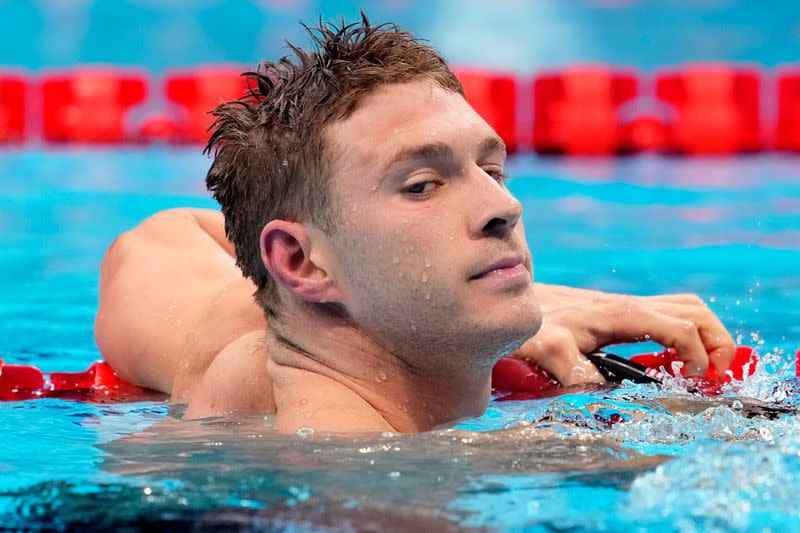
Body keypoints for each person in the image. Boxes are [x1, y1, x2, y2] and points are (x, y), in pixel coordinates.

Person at [94, 14, 736, 434]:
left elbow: (154, 241)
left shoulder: (231, 352)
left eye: (493, 168)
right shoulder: (366, 486)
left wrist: (433, 303)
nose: (503, 208)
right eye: (422, 186)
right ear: (301, 263)